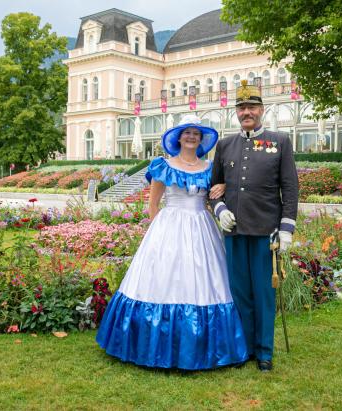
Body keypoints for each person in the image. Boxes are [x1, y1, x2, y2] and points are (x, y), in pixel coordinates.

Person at [96, 114, 248, 370]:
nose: (191, 136)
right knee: (165, 280)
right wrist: (157, 237)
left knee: (204, 281)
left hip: (201, 226)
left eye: (195, 133)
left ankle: (204, 348)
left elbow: (215, 197)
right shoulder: (163, 166)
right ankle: (152, 346)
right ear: (178, 137)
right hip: (168, 228)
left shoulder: (210, 169)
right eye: (186, 132)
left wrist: (221, 189)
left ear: (201, 139)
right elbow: (153, 204)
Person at [209, 80, 299, 372]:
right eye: (242, 107)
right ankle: (245, 348)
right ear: (236, 112)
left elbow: (290, 187)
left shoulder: (279, 141)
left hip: (266, 232)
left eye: (252, 107)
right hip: (234, 231)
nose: (247, 112)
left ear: (262, 110)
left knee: (263, 293)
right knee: (240, 293)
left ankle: (264, 352)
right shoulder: (225, 145)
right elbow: (213, 188)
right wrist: (220, 209)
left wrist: (286, 228)